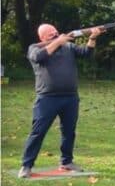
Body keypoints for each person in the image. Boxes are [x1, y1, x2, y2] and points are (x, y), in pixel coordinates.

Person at [18, 24, 104, 178]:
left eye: (56, 32)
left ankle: (67, 162)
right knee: (38, 132)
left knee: (69, 132)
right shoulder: (35, 48)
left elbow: (87, 53)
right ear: (42, 38)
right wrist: (59, 41)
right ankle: (26, 165)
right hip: (47, 98)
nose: (56, 35)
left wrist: (92, 38)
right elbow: (39, 57)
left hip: (70, 97)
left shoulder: (69, 47)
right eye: (51, 34)